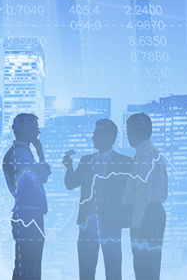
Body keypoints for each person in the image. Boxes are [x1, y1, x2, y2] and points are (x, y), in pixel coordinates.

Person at [64, 118, 132, 280]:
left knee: (113, 268)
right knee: (86, 269)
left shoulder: (125, 162)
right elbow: (71, 184)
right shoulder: (86, 160)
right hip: (88, 222)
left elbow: (130, 194)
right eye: (94, 134)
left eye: (98, 134)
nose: (93, 137)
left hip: (111, 221)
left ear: (110, 138)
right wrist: (69, 168)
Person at [3, 113, 51, 280]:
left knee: (26, 264)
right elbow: (42, 176)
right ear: (25, 130)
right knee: (30, 265)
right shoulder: (20, 154)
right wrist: (41, 154)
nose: (38, 132)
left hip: (26, 214)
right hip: (29, 215)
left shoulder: (21, 152)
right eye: (35, 128)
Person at [122, 113, 168, 280]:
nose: (127, 135)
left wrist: (135, 223)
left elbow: (143, 190)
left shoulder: (144, 153)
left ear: (133, 132)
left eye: (128, 131)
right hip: (154, 213)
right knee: (152, 267)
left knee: (142, 267)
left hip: (145, 215)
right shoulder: (155, 152)